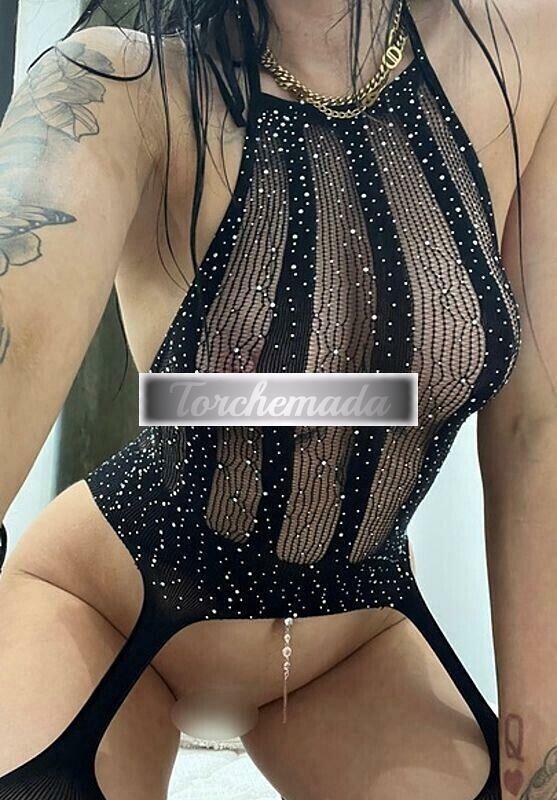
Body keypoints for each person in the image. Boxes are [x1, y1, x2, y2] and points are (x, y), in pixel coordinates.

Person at [0, 0, 556, 798]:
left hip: (352, 636)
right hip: (105, 601)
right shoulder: (118, 83)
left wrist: (537, 748)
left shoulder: (525, 47)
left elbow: (534, 428)